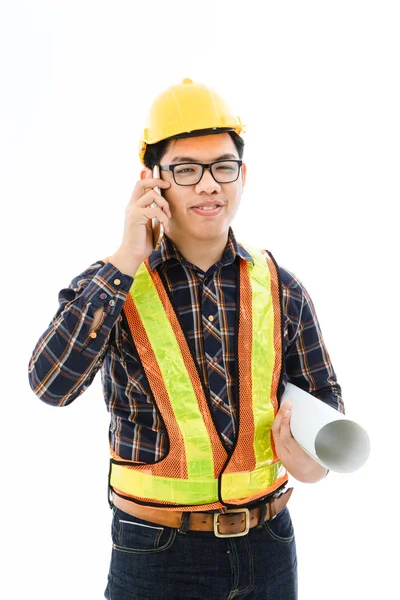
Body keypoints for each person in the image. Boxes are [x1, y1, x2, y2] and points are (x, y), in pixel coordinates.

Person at [28, 77, 344, 600]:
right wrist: (127, 257)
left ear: (242, 176)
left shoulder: (280, 287)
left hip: (268, 546)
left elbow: (326, 410)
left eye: (222, 167)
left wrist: (314, 465)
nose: (208, 185)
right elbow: (49, 385)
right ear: (153, 181)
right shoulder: (112, 284)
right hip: (155, 554)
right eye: (186, 170)